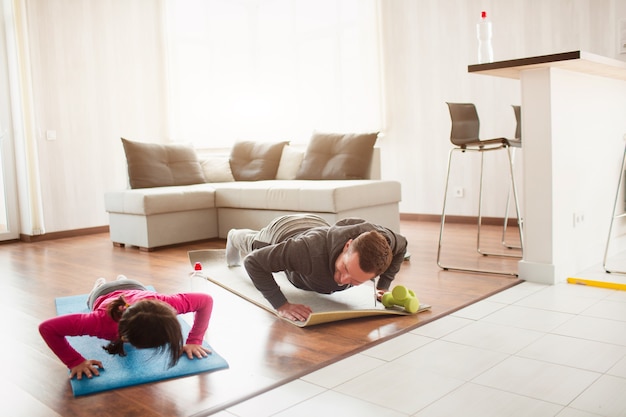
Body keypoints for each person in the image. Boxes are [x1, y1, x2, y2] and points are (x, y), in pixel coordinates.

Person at [226, 214, 407, 322]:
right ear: (347, 246)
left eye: (355, 280)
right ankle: (234, 235)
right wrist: (281, 305)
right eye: (344, 268)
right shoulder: (305, 251)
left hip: (316, 223)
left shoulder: (384, 242)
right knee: (253, 245)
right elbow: (253, 262)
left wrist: (383, 286)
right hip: (282, 232)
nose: (343, 280)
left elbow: (403, 244)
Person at [39, 275, 213, 380]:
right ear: (124, 338)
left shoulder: (169, 304)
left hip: (135, 286)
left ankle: (122, 279)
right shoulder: (98, 322)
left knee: (131, 286)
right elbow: (48, 328)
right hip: (103, 294)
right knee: (90, 299)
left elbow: (206, 300)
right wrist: (74, 361)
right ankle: (98, 284)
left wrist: (194, 340)